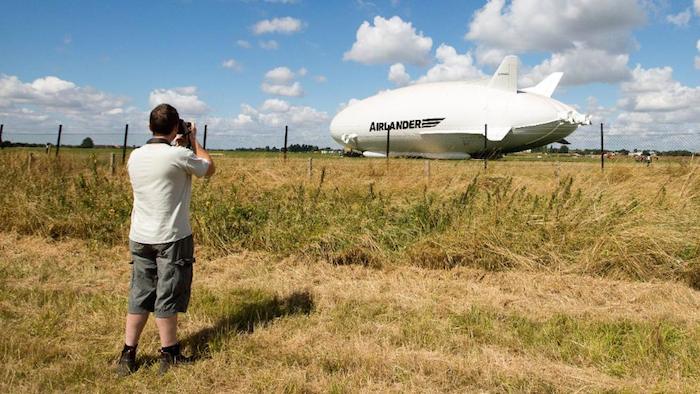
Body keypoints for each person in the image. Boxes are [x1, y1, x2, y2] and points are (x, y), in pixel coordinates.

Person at [116, 103, 215, 376]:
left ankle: (128, 353)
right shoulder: (178, 156)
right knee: (167, 294)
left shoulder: (135, 156)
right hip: (171, 236)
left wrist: (177, 142)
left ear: (149, 127)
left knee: (140, 292)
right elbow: (208, 168)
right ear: (175, 127)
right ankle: (169, 353)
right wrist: (193, 140)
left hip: (140, 235)